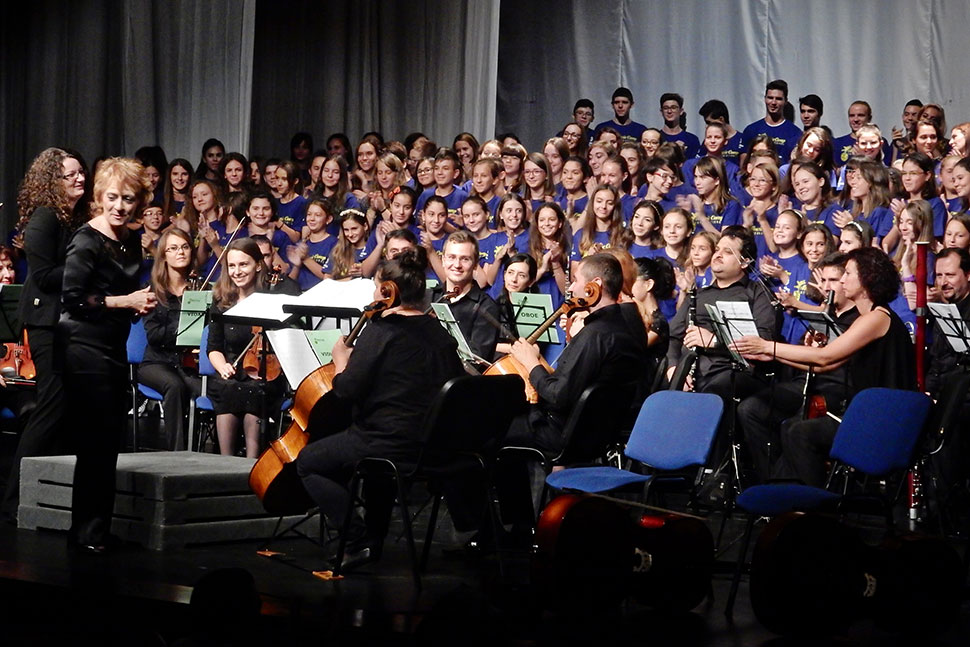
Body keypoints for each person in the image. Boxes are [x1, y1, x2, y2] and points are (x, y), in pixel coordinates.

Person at [296, 249, 464, 569]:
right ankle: (371, 542)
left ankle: (357, 538)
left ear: (389, 291)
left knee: (309, 462)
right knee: (373, 467)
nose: (374, 294)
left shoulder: (382, 331)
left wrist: (342, 361)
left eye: (377, 286)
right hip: (431, 448)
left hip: (386, 441)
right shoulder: (438, 332)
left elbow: (346, 390)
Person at [733, 247, 916, 487]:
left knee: (799, 431)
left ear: (867, 279)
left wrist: (768, 347)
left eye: (847, 273)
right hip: (867, 412)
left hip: (880, 418)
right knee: (794, 428)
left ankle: (814, 509)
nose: (842, 279)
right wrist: (771, 354)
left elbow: (825, 357)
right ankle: (792, 500)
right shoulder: (869, 317)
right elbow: (822, 364)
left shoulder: (877, 317)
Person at [60, 157, 158, 552]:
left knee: (108, 445)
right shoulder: (86, 239)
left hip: (111, 346)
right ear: (100, 197)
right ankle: (85, 533)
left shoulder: (129, 238)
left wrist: (138, 303)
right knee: (94, 444)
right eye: (112, 197)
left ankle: (95, 529)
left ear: (139, 202)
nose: (119, 206)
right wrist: (125, 301)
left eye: (128, 198)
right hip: (84, 348)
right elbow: (73, 298)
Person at [2, 148, 88, 522]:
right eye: (71, 175)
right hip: (45, 325)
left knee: (68, 410)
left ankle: (52, 498)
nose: (80, 179)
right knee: (50, 407)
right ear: (53, 182)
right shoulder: (44, 219)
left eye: (81, 173)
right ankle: (13, 500)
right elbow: (47, 276)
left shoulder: (74, 218)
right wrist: (86, 266)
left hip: (69, 324)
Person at [505, 253, 649, 456]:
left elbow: (558, 396)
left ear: (595, 284)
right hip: (597, 433)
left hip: (562, 433)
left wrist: (530, 362)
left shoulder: (595, 334)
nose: (571, 288)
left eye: (576, 280)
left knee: (492, 424)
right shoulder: (627, 323)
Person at [738, 252, 860, 483]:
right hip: (805, 384)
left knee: (797, 423)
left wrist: (770, 349)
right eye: (823, 280)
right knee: (751, 408)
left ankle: (792, 488)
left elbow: (830, 360)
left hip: (835, 390)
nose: (826, 287)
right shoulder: (821, 315)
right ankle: (772, 480)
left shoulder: (858, 319)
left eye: (833, 280)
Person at [666, 226, 780, 402]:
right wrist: (674, 368)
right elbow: (673, 338)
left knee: (715, 390)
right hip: (689, 368)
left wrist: (715, 341)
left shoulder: (758, 293)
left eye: (727, 252)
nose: (717, 255)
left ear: (745, 262)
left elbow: (764, 340)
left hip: (732, 371)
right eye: (717, 249)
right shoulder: (698, 294)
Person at [206, 238, 284, 458]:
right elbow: (213, 347)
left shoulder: (271, 300)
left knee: (254, 393)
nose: (237, 271)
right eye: (232, 265)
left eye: (243, 264)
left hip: (265, 373)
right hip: (231, 369)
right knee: (226, 389)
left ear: (258, 265)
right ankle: (225, 462)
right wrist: (222, 367)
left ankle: (251, 465)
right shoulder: (222, 301)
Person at [139, 228, 203, 451]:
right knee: (174, 386)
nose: (180, 252)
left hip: (188, 363)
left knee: (212, 388)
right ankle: (178, 454)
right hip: (156, 362)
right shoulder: (153, 291)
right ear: (163, 255)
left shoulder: (199, 289)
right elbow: (154, 336)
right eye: (173, 248)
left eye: (185, 247)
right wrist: (184, 324)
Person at [430, 231, 500, 363]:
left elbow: (476, 363)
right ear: (443, 260)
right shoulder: (430, 297)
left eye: (465, 259)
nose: (457, 265)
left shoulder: (486, 307)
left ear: (475, 265)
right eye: (451, 257)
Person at [740, 80, 803, 167]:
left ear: (785, 101)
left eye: (778, 99)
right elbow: (744, 163)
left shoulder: (795, 133)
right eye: (770, 98)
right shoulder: (751, 130)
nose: (773, 102)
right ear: (765, 99)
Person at [659, 93, 701, 159]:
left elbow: (694, 164)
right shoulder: (656, 138)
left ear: (681, 111)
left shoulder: (692, 139)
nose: (669, 111)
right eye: (666, 108)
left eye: (673, 107)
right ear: (661, 112)